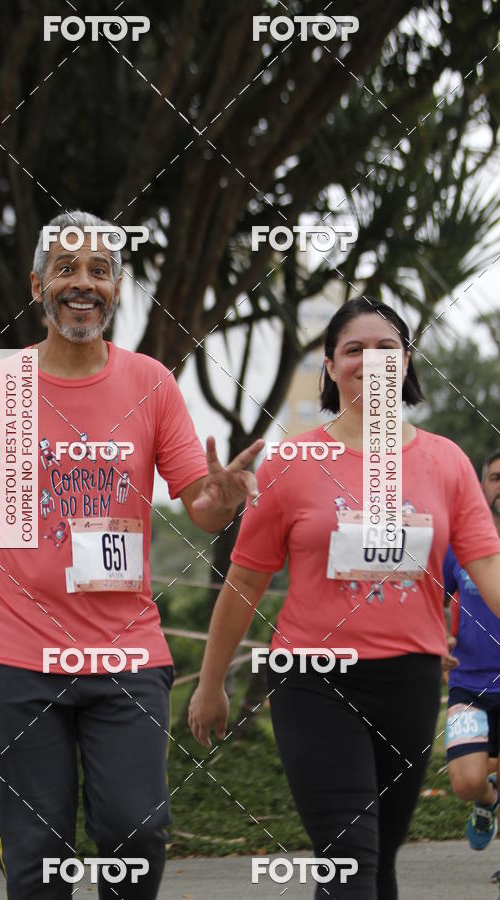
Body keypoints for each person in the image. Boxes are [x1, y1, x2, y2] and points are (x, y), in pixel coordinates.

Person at [0, 210, 262, 900]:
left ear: (117, 289)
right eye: (66, 269)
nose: (83, 283)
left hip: (125, 654)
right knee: (38, 860)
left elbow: (200, 505)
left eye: (99, 270)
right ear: (38, 287)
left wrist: (226, 495)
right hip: (14, 658)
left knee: (137, 832)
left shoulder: (150, 384)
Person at [188, 297, 500, 899]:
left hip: (409, 681)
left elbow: (485, 564)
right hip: (312, 679)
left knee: (377, 865)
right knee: (349, 864)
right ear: (331, 368)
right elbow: (246, 581)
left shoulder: (445, 462)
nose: (370, 360)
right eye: (353, 349)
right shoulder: (294, 462)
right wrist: (210, 682)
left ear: (407, 364)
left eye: (387, 348)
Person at [444, 449, 500, 851]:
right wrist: (434, 640)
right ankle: (486, 800)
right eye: (496, 477)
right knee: (466, 781)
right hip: (468, 686)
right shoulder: (459, 543)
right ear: (482, 486)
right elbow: (429, 597)